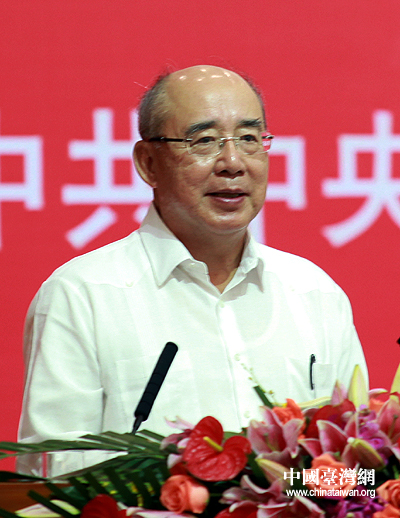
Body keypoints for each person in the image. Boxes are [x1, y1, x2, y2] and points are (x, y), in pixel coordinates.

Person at [17, 65, 368, 476]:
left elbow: (358, 465)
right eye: (204, 141)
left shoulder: (315, 294)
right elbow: (51, 476)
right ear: (148, 163)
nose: (233, 162)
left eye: (249, 139)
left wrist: (283, 494)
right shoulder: (82, 295)